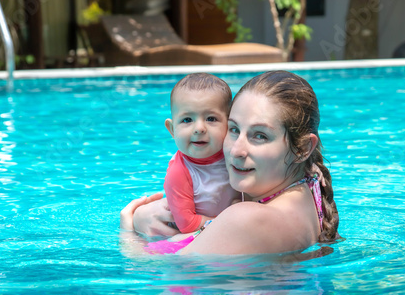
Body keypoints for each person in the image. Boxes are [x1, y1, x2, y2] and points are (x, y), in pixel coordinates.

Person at [120, 70, 340, 255]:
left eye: (260, 136)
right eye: (234, 129)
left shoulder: (245, 220)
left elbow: (156, 271)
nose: (236, 150)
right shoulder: (311, 188)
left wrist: (129, 230)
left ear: (302, 149)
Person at [123, 73, 239, 234]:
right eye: (187, 120)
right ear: (172, 129)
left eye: (211, 118)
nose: (199, 128)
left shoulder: (236, 156)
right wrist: (231, 221)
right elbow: (187, 224)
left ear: (230, 124)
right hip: (190, 234)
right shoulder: (179, 172)